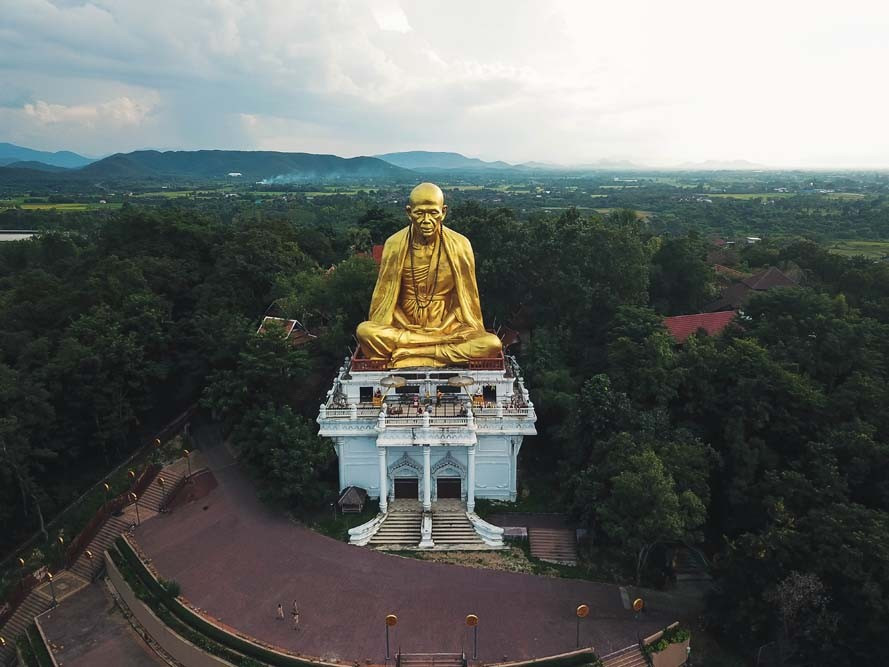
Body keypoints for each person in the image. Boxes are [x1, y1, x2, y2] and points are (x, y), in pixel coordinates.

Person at [355, 183, 502, 368]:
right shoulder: (394, 244)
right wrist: (408, 327)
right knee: (365, 331)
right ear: (409, 212)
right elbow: (386, 301)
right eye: (419, 213)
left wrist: (442, 330)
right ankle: (432, 352)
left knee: (492, 344)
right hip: (405, 327)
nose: (426, 220)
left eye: (433, 213)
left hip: (447, 327)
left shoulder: (460, 245)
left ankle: (414, 354)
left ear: (443, 212)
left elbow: (464, 300)